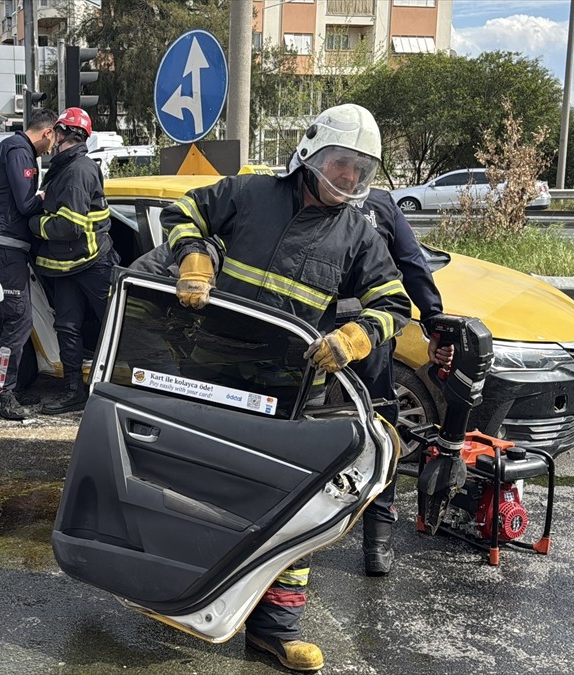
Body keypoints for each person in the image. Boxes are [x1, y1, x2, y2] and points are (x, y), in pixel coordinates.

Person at [160, 103, 411, 672]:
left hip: (290, 386)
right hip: (213, 372)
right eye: (342, 163)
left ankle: (274, 630)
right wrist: (193, 254)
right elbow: (181, 210)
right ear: (312, 153)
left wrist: (356, 336)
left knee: (289, 508)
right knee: (197, 491)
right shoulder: (249, 194)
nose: (350, 178)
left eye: (361, 169)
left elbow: (394, 301)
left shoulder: (357, 232)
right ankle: (174, 593)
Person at [349, 186, 454, 577]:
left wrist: (436, 326)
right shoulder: (379, 203)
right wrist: (434, 322)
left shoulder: (309, 197)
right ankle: (377, 545)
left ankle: (369, 541)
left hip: (322, 336)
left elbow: (411, 264)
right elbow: (413, 265)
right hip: (367, 337)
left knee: (318, 429)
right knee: (380, 431)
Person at [31, 108, 119, 414]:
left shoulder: (75, 171)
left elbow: (68, 226)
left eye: (55, 133)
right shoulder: (66, 168)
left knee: (114, 322)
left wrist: (35, 223)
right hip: (68, 265)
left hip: (92, 263)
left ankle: (125, 389)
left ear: (61, 133)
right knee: (67, 327)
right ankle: (73, 391)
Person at [0, 107, 57, 420]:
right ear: (47, 132)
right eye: (54, 139)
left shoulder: (17, 149)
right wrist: (48, 194)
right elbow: (25, 203)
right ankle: (1, 395)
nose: (52, 148)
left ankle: (7, 387)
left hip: (5, 248)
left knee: (13, 322)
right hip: (3, 248)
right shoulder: (18, 149)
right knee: (18, 322)